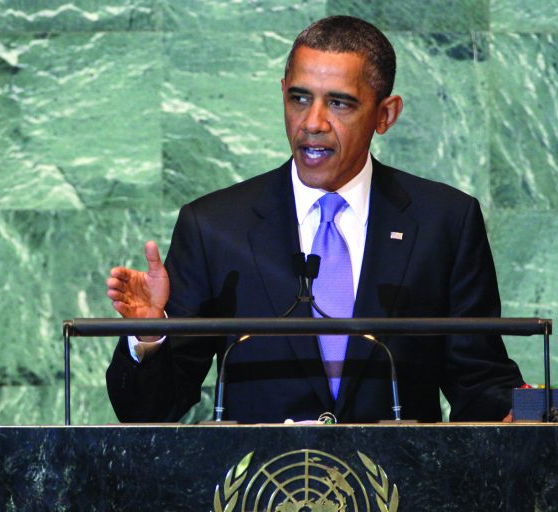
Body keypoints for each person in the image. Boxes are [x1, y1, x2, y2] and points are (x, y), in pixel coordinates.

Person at [105, 15, 523, 424]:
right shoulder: (214, 227)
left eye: (338, 103)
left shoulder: (444, 222)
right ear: (282, 93)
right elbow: (149, 411)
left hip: (399, 472)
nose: (312, 122)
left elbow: (479, 378)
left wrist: (521, 414)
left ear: (385, 115)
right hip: (259, 472)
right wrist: (149, 334)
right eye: (299, 99)